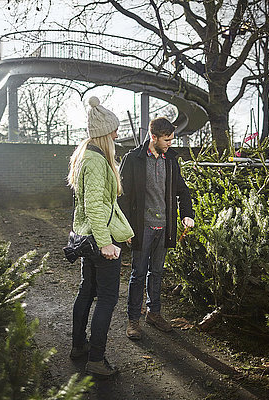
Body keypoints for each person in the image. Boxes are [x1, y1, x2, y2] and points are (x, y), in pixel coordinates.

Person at [67, 96, 134, 376]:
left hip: (87, 238)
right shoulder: (95, 162)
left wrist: (121, 232)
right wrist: (107, 241)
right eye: (114, 130)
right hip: (98, 241)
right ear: (104, 133)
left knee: (87, 290)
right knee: (107, 298)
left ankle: (79, 346)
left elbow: (101, 206)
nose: (118, 134)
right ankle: (96, 359)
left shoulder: (87, 156)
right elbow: (96, 206)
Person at [118, 116, 194, 340]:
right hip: (142, 228)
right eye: (167, 139)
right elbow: (123, 197)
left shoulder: (170, 160)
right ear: (154, 137)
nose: (171, 143)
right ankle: (133, 320)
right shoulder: (134, 159)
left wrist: (187, 214)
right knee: (138, 274)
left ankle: (154, 313)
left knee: (157, 272)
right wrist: (126, 229)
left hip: (165, 227)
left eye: (172, 139)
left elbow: (183, 190)